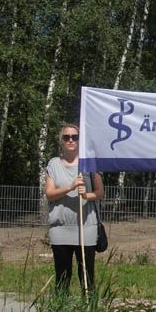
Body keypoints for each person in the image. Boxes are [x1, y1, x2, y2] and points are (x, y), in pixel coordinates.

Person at [45, 124, 104, 295]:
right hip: (61, 228)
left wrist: (86, 195)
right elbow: (50, 194)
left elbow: (100, 192)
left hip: (86, 228)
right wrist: (70, 186)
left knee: (87, 276)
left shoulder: (90, 164)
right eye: (67, 137)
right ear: (61, 141)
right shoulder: (54, 164)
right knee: (62, 276)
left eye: (75, 137)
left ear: (80, 140)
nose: (71, 140)